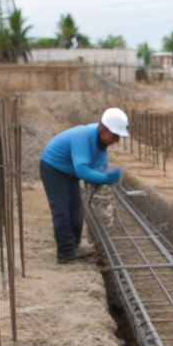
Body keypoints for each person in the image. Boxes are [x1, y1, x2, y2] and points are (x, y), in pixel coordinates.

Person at [39, 108, 129, 263]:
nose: (117, 140)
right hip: (53, 167)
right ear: (104, 130)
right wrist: (105, 179)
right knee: (61, 209)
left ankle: (75, 246)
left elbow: (99, 167)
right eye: (115, 136)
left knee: (77, 209)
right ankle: (65, 253)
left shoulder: (101, 143)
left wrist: (103, 176)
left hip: (69, 171)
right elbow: (82, 171)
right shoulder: (83, 137)